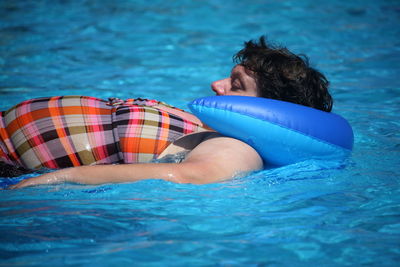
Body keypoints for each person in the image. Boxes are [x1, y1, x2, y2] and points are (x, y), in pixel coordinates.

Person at [3, 36, 332, 189]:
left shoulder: (238, 150)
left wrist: (62, 178)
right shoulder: (211, 129)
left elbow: (190, 176)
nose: (216, 84)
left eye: (236, 84)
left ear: (267, 110)